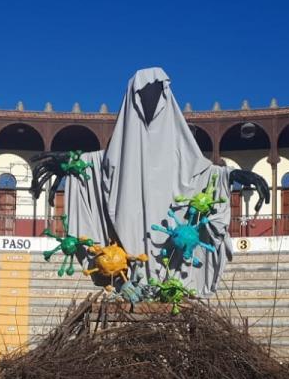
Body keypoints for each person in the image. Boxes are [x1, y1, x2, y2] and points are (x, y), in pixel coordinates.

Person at [30, 68, 269, 296]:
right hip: (126, 243)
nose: (150, 100)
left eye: (157, 93)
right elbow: (97, 167)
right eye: (143, 95)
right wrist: (69, 164)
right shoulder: (117, 154)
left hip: (170, 241)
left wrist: (232, 176)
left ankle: (167, 285)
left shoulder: (180, 148)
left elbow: (202, 174)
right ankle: (127, 282)